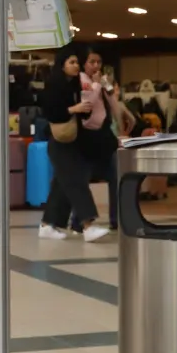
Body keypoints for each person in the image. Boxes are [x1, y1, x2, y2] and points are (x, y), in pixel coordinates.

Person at [39, 45, 108, 242]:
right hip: (59, 141)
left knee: (62, 184)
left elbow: (84, 113)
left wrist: (86, 103)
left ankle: (47, 225)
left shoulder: (76, 86)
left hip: (73, 139)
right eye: (71, 62)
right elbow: (51, 113)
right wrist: (73, 109)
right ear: (61, 65)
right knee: (76, 180)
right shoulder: (53, 86)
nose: (76, 66)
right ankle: (88, 225)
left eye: (77, 62)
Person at [78, 48, 132, 229]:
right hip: (86, 135)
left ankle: (116, 219)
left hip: (104, 134)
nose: (95, 66)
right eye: (91, 62)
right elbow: (89, 102)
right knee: (81, 179)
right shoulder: (82, 80)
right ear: (83, 63)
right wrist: (96, 85)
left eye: (98, 62)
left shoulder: (101, 81)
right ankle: (79, 221)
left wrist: (122, 121)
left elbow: (112, 101)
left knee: (115, 175)